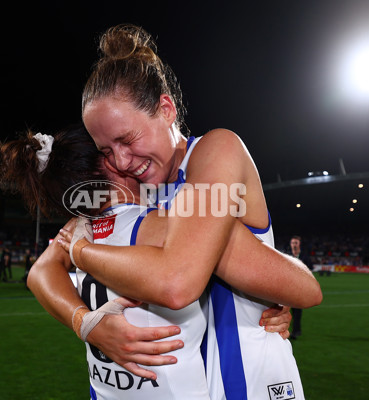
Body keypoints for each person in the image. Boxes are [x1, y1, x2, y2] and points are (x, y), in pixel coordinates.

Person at [57, 23, 314, 398]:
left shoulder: (215, 152)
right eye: (106, 150)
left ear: (165, 108)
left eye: (127, 139)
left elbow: (180, 280)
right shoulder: (134, 191)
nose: (122, 160)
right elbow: (43, 268)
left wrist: (80, 250)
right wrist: (86, 323)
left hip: (253, 381)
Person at [0, 125, 321, 399]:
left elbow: (39, 272)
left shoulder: (81, 228)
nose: (128, 158)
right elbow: (305, 288)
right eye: (112, 150)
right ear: (107, 168)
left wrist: (85, 323)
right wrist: (277, 294)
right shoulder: (166, 223)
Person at [288, 235, 313, 340]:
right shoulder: (286, 256)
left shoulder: (305, 257)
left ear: (299, 244)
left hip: (299, 288)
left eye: (296, 243)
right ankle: (282, 331)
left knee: (297, 311)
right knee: (284, 310)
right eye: (293, 243)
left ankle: (296, 331)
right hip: (287, 287)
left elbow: (310, 268)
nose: (294, 245)